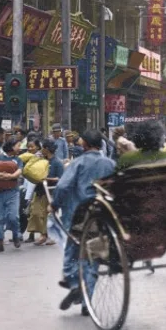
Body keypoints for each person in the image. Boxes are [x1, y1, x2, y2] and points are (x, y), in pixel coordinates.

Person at [52, 130, 116, 313]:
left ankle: (73, 283)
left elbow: (63, 186)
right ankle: (87, 298)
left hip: (79, 216)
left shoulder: (78, 163)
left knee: (72, 251)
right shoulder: (110, 163)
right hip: (102, 216)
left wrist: (55, 205)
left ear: (85, 144)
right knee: (93, 257)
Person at [0, 140, 24, 252]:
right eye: (18, 145)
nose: (20, 147)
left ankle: (16, 235)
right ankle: (0, 242)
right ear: (11, 146)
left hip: (13, 192)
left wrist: (10, 176)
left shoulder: (18, 159)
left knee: (13, 216)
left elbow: (19, 172)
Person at [28, 140, 63, 246]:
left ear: (47, 149)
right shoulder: (41, 160)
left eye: (43, 148)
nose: (41, 150)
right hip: (40, 190)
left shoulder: (57, 162)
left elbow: (60, 178)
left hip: (51, 192)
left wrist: (47, 178)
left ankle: (50, 236)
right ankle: (43, 234)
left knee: (51, 215)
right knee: (37, 213)